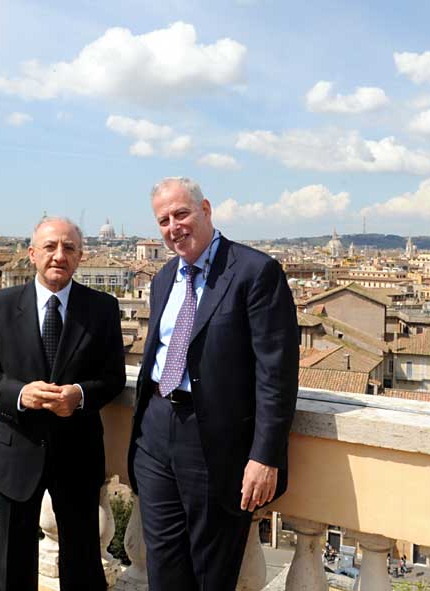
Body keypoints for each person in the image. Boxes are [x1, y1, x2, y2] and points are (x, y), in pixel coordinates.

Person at [128, 177, 299, 590]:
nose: (174, 227)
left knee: (210, 573)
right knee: (162, 568)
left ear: (205, 210)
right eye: (164, 220)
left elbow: (276, 374)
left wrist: (265, 456)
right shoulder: (163, 278)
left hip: (215, 443)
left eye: (181, 214)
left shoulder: (255, 272)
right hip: (155, 433)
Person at [0, 217, 126, 591]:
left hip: (78, 454)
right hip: (17, 449)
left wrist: (80, 396)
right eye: (50, 246)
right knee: (10, 565)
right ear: (32, 253)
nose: (59, 255)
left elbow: (113, 378)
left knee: (83, 566)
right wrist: (20, 395)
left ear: (80, 256)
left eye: (69, 248)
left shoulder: (102, 308)